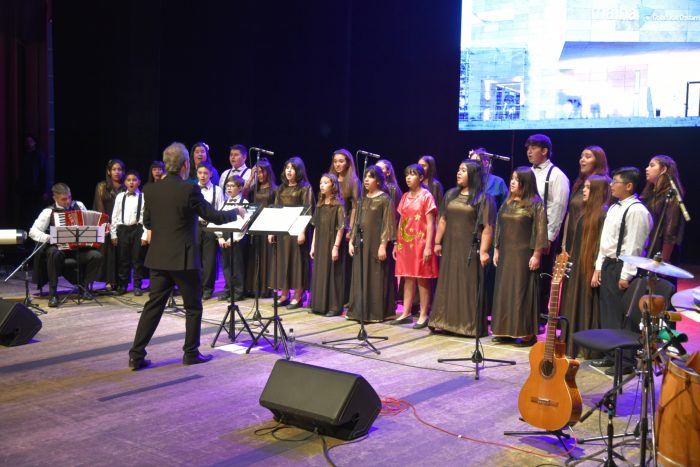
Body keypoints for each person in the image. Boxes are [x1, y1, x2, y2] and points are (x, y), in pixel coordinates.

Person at [128, 142, 242, 370]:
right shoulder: (189, 189)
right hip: (184, 258)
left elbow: (148, 222)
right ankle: (190, 353)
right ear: (185, 165)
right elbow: (212, 216)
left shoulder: (150, 190)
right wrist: (236, 212)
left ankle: (136, 355)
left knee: (153, 307)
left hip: (159, 257)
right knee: (193, 307)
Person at [591, 167, 652, 375]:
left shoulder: (636, 210)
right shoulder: (614, 208)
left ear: (628, 186)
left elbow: (634, 246)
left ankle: (625, 361)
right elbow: (605, 241)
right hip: (609, 264)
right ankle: (611, 355)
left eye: (615, 181)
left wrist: (626, 275)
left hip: (622, 267)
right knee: (609, 313)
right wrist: (599, 267)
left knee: (622, 316)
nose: (611, 185)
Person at [430, 160, 496, 337]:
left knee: (467, 285)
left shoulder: (483, 198)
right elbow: (442, 219)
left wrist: (483, 251)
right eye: (458, 169)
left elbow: (488, 228)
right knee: (448, 282)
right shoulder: (451, 194)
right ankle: (444, 321)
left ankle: (467, 325)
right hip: (451, 246)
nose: (458, 173)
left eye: (463, 170)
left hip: (470, 247)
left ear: (473, 174)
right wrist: (437, 241)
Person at [491, 167, 548, 346]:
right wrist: (497, 249)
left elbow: (540, 231)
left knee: (521, 292)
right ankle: (504, 330)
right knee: (505, 290)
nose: (513, 182)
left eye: (517, 179)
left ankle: (526, 333)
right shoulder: (507, 202)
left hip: (524, 255)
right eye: (512, 178)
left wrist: (537, 254)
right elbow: (499, 225)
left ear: (526, 182)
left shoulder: (535, 203)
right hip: (506, 254)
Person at [559, 175, 610, 358]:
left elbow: (601, 246)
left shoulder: (603, 214)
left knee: (587, 304)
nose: (584, 191)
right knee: (574, 301)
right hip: (578, 264)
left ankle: (588, 347)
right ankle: (572, 343)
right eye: (584, 186)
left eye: (588, 187)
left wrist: (597, 269)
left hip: (590, 265)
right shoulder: (585, 212)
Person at [29, 183, 103, 307]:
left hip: (78, 249)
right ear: (55, 198)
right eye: (64, 199)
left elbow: (88, 225)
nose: (68, 201)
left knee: (97, 256)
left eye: (69, 197)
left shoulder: (78, 205)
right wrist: (50, 238)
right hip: (59, 250)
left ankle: (84, 288)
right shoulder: (48, 211)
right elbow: (33, 232)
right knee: (53, 253)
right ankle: (53, 294)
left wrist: (99, 230)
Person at [525, 134, 570, 321]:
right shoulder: (527, 172)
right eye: (528, 147)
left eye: (533, 147)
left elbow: (557, 208)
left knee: (541, 276)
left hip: (543, 235)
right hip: (524, 232)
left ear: (544, 151)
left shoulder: (557, 175)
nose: (529, 151)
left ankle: (540, 316)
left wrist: (549, 237)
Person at [389, 164, 439, 328]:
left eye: (413, 174)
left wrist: (428, 247)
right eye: (407, 175)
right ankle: (406, 312)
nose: (408, 178)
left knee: (422, 278)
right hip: (406, 243)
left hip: (421, 243)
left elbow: (431, 224)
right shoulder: (404, 197)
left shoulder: (426, 196)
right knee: (407, 277)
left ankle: (424, 314)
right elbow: (401, 221)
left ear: (421, 178)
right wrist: (396, 242)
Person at [346, 166, 396, 322]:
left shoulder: (385, 199)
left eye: (371, 176)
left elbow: (388, 224)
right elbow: (357, 223)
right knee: (360, 274)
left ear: (379, 180)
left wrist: (383, 245)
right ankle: (359, 311)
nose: (366, 179)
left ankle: (374, 312)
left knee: (375, 276)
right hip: (362, 244)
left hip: (375, 243)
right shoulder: (362, 199)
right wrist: (351, 241)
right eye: (365, 176)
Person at [269, 157, 314, 309]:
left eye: (292, 168)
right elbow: (276, 210)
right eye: (287, 167)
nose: (289, 170)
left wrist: (301, 231)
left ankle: (298, 295)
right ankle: (284, 293)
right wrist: (272, 231)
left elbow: (307, 210)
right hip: (283, 231)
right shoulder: (280, 188)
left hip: (297, 230)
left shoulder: (305, 188)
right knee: (283, 261)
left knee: (297, 263)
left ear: (298, 170)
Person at [309, 173, 346, 317]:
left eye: (326, 183)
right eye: (321, 183)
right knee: (320, 272)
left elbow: (341, 227)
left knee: (333, 274)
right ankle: (318, 305)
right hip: (320, 243)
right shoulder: (319, 204)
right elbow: (316, 227)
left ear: (333, 185)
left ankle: (334, 307)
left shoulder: (338, 205)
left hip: (332, 243)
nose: (322, 185)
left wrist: (335, 247)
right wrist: (313, 246)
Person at [329, 149, 360, 306]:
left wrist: (351, 229)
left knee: (343, 264)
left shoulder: (353, 181)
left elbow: (355, 207)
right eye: (335, 161)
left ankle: (344, 298)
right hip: (330, 225)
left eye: (341, 161)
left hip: (345, 225)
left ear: (348, 162)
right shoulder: (331, 179)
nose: (338, 164)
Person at [641, 155, 685, 264]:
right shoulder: (650, 194)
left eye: (652, 165)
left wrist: (664, 260)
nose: (647, 168)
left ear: (664, 169)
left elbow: (671, 230)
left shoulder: (671, 195)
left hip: (660, 251)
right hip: (647, 246)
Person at [564, 146, 609, 251]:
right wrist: (564, 243)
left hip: (589, 241)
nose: (582, 160)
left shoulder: (606, 184)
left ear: (598, 161)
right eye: (581, 156)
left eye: (587, 157)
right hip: (572, 240)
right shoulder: (579, 184)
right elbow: (570, 213)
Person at [111, 170, 148, 296]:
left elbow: (145, 218)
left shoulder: (143, 197)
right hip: (123, 230)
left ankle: (137, 285)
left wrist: (144, 235)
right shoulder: (120, 197)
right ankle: (123, 284)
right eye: (129, 180)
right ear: (125, 182)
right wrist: (113, 234)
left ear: (139, 182)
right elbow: (115, 215)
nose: (131, 182)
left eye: (134, 180)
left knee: (137, 259)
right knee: (123, 259)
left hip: (137, 229)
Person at [244, 158, 276, 298]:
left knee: (265, 257)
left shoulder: (274, 189)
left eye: (262, 172)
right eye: (257, 172)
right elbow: (243, 195)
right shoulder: (254, 188)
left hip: (268, 224)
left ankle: (264, 288)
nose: (260, 175)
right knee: (254, 256)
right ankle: (252, 287)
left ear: (267, 172)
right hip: (255, 225)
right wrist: (251, 177)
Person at [93, 159, 126, 290]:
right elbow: (99, 205)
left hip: (122, 224)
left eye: (119, 169)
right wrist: (106, 223)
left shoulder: (126, 186)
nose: (117, 172)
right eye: (114, 169)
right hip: (106, 224)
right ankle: (109, 280)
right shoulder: (102, 186)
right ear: (109, 171)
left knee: (122, 254)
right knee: (108, 253)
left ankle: (120, 281)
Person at [196, 162, 225, 300]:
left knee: (209, 260)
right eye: (200, 173)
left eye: (205, 173)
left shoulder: (217, 190)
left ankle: (208, 288)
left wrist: (219, 234)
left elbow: (219, 211)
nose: (203, 176)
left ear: (211, 174)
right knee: (195, 259)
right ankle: (196, 287)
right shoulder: (192, 188)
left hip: (210, 226)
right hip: (195, 226)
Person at [217, 176, 248, 302]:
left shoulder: (244, 203)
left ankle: (238, 292)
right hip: (225, 237)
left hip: (236, 239)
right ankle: (228, 290)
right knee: (226, 266)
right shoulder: (224, 202)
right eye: (228, 186)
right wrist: (220, 237)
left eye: (232, 186)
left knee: (237, 266)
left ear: (240, 188)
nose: (229, 188)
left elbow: (244, 224)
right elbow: (218, 220)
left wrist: (233, 238)